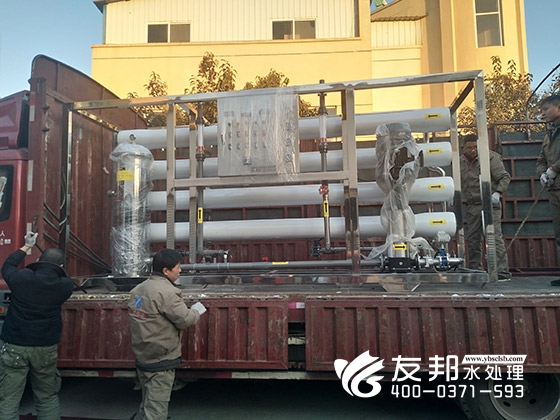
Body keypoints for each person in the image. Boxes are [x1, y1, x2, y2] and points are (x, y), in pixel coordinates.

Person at [0, 233, 74, 420]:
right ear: (61, 267)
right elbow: (64, 278)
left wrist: (26, 246)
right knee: (47, 397)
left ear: (39, 261)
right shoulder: (65, 286)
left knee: (9, 399)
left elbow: (7, 266)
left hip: (16, 345)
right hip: (45, 347)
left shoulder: (22, 279)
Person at [128, 248, 206, 420]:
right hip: (161, 359)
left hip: (143, 355)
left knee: (148, 399)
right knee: (156, 408)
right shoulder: (167, 292)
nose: (180, 270)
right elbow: (185, 319)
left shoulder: (138, 289)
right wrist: (196, 311)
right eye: (177, 267)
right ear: (165, 271)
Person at [460, 134, 512, 280]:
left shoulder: (490, 158)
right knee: (473, 239)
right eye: (469, 148)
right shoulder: (460, 162)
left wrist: (498, 193)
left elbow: (504, 177)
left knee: (494, 237)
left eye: (475, 147)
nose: (472, 150)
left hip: (490, 203)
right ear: (463, 147)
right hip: (472, 205)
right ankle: (475, 269)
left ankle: (501, 272)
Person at [536, 95, 560, 262]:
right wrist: (543, 174)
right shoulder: (548, 135)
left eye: (546, 109)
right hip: (554, 190)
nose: (542, 114)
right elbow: (540, 160)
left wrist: (554, 169)